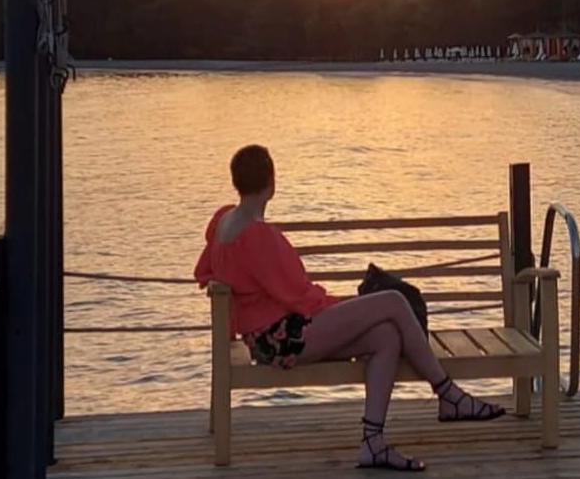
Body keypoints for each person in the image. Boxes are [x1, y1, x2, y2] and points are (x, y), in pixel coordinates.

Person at [194, 144, 505, 472]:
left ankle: (373, 444)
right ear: (272, 183)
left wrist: (344, 311)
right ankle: (448, 394)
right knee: (394, 301)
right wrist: (343, 308)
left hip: (267, 336)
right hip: (285, 337)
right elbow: (298, 296)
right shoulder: (258, 235)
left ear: (237, 182)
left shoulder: (223, 220)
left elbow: (209, 272)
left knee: (385, 336)